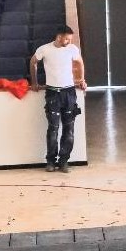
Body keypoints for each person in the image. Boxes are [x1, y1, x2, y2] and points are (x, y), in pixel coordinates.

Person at [30, 25, 86, 173]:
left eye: (70, 39)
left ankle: (63, 161)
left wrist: (81, 80)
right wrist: (34, 82)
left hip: (69, 92)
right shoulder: (44, 49)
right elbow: (33, 62)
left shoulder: (72, 49)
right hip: (53, 93)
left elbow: (80, 62)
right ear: (59, 37)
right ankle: (50, 161)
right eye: (67, 39)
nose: (69, 41)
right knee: (53, 129)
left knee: (69, 130)